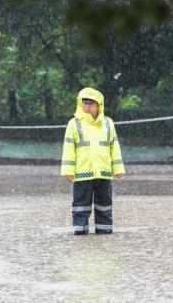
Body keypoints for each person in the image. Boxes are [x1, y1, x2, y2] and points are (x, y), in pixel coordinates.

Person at [61, 87, 125, 235]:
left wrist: (118, 168)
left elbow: (114, 146)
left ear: (99, 105)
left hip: (103, 173)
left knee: (104, 205)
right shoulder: (74, 124)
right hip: (83, 173)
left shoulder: (108, 123)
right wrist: (68, 172)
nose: (87, 106)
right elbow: (69, 149)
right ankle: (80, 233)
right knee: (81, 206)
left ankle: (104, 232)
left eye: (90, 103)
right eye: (84, 103)